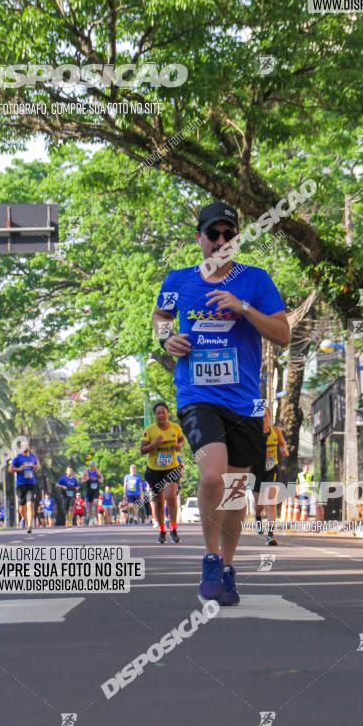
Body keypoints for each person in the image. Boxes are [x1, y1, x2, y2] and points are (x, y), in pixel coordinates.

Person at [152, 201, 290, 604]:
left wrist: (243, 308)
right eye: (213, 234)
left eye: (229, 234)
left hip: (245, 401)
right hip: (198, 395)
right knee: (212, 476)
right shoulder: (178, 280)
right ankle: (210, 558)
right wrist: (166, 339)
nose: (221, 241)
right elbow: (162, 316)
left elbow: (282, 334)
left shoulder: (255, 280)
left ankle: (228, 567)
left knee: (234, 489)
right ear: (199, 238)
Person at [140, 401, 185, 544]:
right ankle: (161, 531)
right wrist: (155, 444)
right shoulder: (150, 430)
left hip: (171, 468)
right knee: (159, 501)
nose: (161, 415)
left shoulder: (175, 427)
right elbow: (142, 450)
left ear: (167, 413)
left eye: (163, 412)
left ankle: (174, 529)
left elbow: (182, 439)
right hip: (154, 470)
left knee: (171, 496)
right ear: (155, 415)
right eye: (158, 413)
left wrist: (179, 445)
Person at [252, 407, 289, 546]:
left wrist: (283, 449)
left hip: (271, 470)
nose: (263, 418)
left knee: (271, 502)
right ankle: (257, 516)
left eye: (265, 416)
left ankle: (270, 535)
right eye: (260, 416)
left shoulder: (276, 431)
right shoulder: (252, 433)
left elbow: (282, 442)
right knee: (259, 505)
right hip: (255, 471)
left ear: (269, 416)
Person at [9, 440, 40, 534]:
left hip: (31, 484)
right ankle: (24, 518)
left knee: (30, 504)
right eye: (24, 446)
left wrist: (33, 466)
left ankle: (30, 525)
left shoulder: (33, 457)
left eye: (27, 446)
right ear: (21, 448)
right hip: (21, 485)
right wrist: (19, 468)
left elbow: (37, 467)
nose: (26, 447)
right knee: (21, 508)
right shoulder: (17, 458)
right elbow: (10, 469)